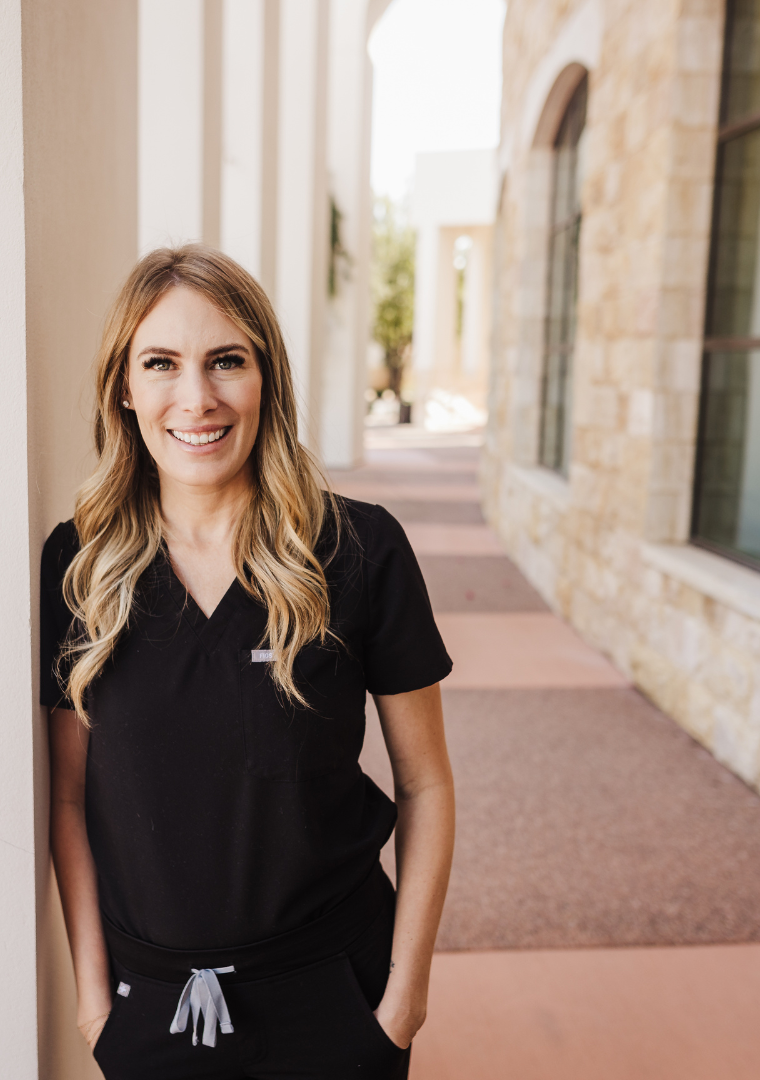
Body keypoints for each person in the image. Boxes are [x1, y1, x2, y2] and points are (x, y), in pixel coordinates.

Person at [42, 245, 455, 1080]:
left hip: (335, 1002)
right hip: (150, 1012)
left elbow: (426, 785)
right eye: (161, 363)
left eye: (226, 360)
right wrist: (94, 1004)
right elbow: (69, 797)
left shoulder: (360, 551)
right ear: (124, 387)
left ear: (267, 378)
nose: (197, 397)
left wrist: (402, 1002)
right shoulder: (81, 565)